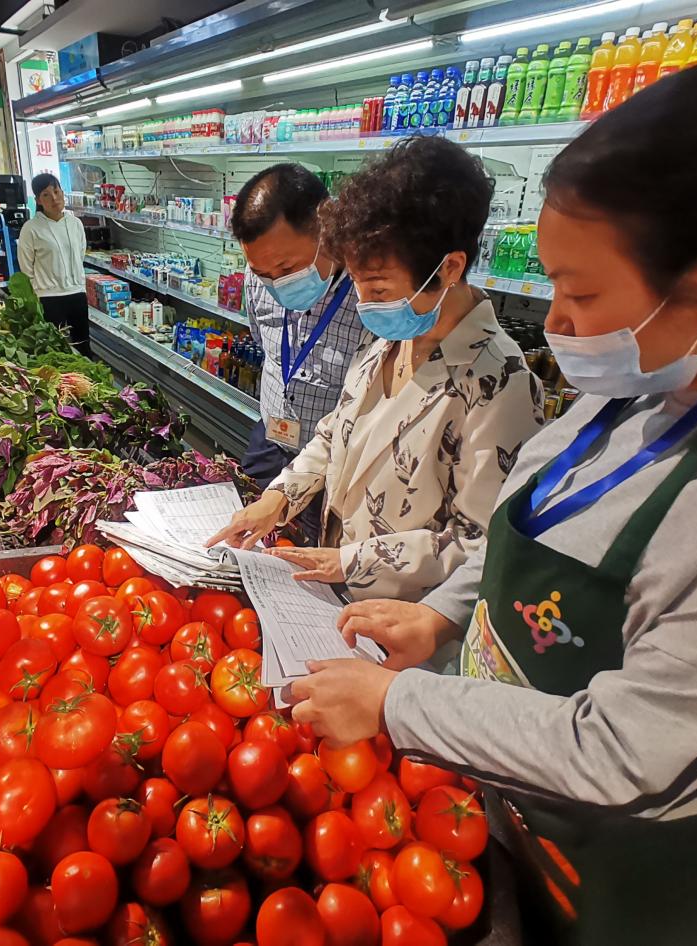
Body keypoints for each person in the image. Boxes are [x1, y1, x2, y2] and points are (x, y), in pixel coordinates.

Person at [287, 62, 697, 946]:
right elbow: (531, 512)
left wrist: (399, 706)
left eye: (582, 292)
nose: (554, 322)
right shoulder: (668, 366)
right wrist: (444, 614)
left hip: (637, 876)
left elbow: (644, 752)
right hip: (502, 798)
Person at [212, 138, 543, 602]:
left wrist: (351, 562)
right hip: (341, 596)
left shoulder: (500, 384)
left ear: (449, 268)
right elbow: (335, 432)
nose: (364, 305)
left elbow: (482, 542)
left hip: (405, 615)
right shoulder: (390, 340)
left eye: (380, 290)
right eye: (357, 284)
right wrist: (279, 498)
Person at [231, 164, 367, 542]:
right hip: (271, 438)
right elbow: (263, 342)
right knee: (245, 541)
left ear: (325, 226)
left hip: (336, 462)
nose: (276, 283)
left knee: (310, 553)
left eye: (287, 268)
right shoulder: (259, 275)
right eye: (263, 274)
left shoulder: (371, 291)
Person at [18, 173, 90, 354]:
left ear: (63, 193)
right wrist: (38, 290)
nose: (54, 198)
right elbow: (26, 268)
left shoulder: (75, 223)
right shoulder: (31, 228)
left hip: (76, 293)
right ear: (38, 200)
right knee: (53, 350)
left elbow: (79, 254)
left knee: (83, 345)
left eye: (56, 192)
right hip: (48, 297)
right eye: (46, 195)